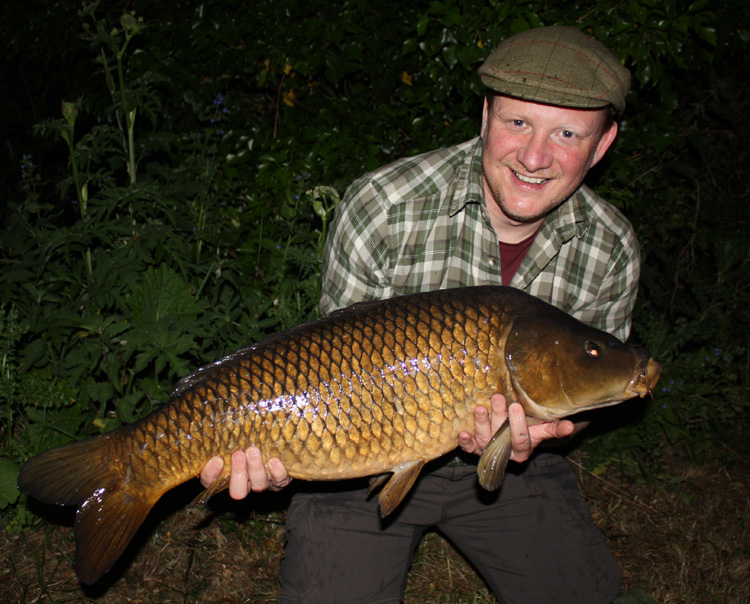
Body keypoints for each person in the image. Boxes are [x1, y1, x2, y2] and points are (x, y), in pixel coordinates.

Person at [201, 25, 637, 604]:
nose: (535, 156)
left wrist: (548, 432)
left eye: (566, 132)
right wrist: (282, 450)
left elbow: (581, 397)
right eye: (517, 123)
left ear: (602, 144)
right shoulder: (383, 205)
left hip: (516, 472)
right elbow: (322, 372)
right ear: (484, 115)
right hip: (358, 457)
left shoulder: (611, 248)